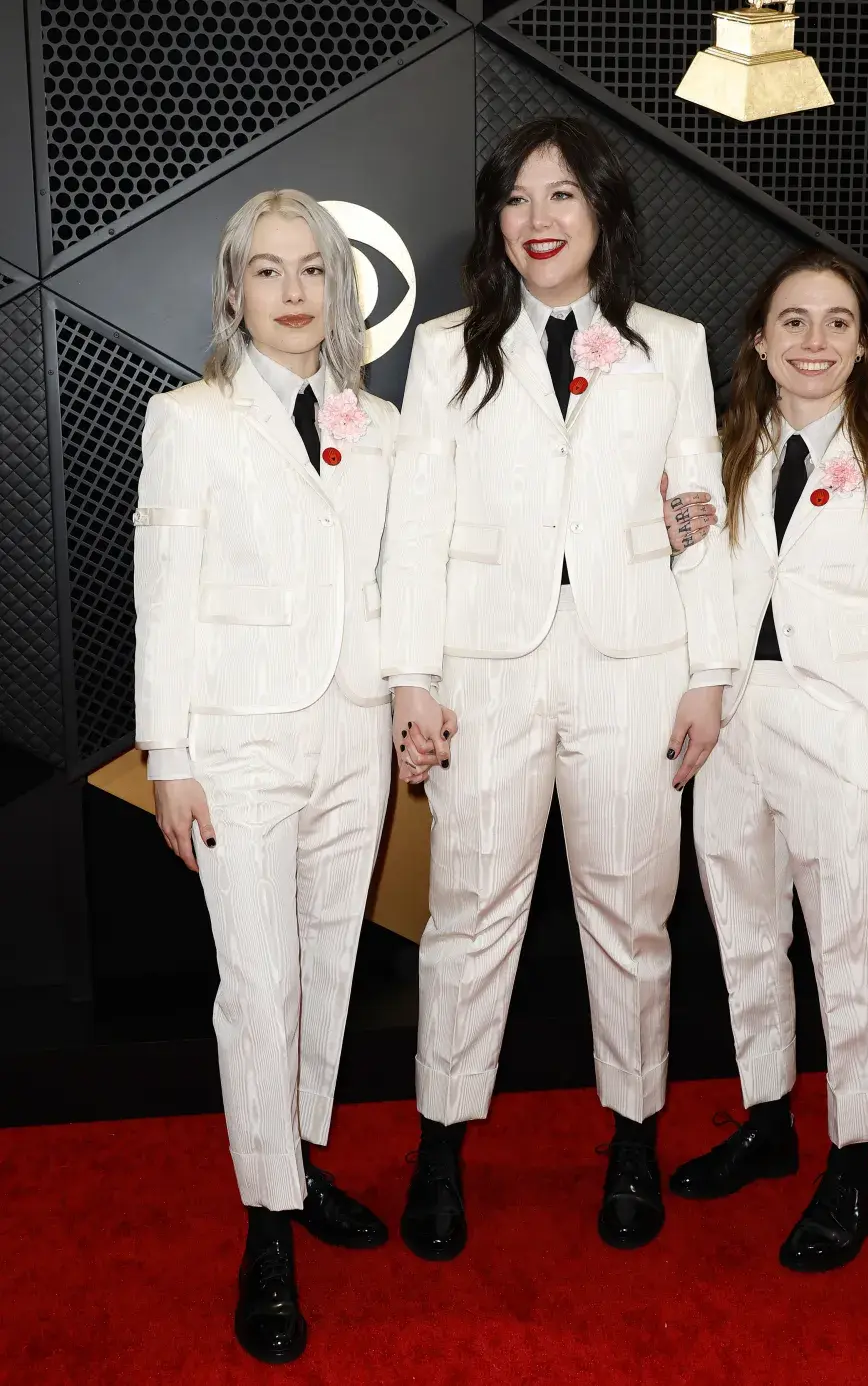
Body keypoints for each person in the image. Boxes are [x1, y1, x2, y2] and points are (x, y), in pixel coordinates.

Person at [380, 116, 738, 1260]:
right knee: (468, 914)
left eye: (563, 198)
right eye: (519, 200)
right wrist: (411, 677)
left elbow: (697, 516)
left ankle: (632, 1132)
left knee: (633, 916)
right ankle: (442, 1139)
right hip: (486, 665)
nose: (539, 221)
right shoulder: (446, 350)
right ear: (498, 220)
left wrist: (711, 671)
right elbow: (417, 523)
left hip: (636, 664)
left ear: (603, 216)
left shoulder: (671, 347)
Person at [133, 190, 406, 1362]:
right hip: (238, 741)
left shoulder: (376, 423)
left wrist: (407, 697)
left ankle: (294, 1167)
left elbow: (392, 586)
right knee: (258, 986)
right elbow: (166, 598)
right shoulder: (188, 419)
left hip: (353, 738)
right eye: (268, 272)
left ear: (338, 291)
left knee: (328, 969)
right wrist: (172, 756)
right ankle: (268, 1234)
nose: (294, 292)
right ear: (233, 292)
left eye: (313, 271)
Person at [666, 247, 868, 1270]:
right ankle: (767, 1119)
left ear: (866, 342)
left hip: (836, 734)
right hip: (729, 728)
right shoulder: (721, 457)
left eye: (838, 323)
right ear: (758, 338)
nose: (815, 342)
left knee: (850, 958)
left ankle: (853, 1161)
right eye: (793, 320)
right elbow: (695, 589)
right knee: (745, 937)